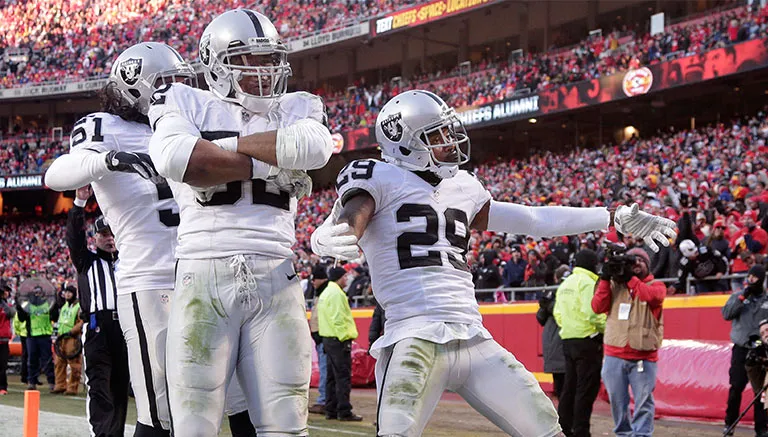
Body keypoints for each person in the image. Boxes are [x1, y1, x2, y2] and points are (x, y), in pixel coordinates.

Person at [310, 89, 676, 437]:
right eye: (436, 135)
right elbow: (351, 217)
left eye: (448, 132)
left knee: (545, 425)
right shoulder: (377, 176)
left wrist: (611, 216)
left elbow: (533, 219)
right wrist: (326, 234)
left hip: (473, 337)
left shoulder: (463, 186)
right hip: (414, 334)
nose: (449, 142)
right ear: (404, 143)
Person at [45, 42, 255, 437]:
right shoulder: (104, 126)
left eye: (180, 80)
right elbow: (57, 175)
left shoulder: (182, 121)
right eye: (165, 82)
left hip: (204, 269)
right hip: (150, 280)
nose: (176, 89)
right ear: (132, 85)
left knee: (239, 399)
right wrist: (107, 160)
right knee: (161, 410)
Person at [147, 8, 333, 435]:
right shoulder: (183, 98)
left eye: (270, 60)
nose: (263, 71)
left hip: (277, 273)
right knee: (194, 424)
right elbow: (180, 159)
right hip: (203, 271)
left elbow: (314, 148)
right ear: (214, 65)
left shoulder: (299, 105)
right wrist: (272, 165)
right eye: (249, 60)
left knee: (287, 423)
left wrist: (220, 148)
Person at [67, 196, 130, 437]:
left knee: (120, 386)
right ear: (95, 238)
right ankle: (102, 434)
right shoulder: (87, 261)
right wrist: (79, 203)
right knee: (99, 384)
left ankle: (116, 433)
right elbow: (74, 238)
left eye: (112, 233)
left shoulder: (128, 262)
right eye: (104, 234)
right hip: (98, 327)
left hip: (125, 326)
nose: (110, 238)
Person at [592, 247, 666, 437]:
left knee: (643, 402)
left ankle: (641, 434)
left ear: (648, 266)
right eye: (633, 261)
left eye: (641, 261)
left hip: (643, 356)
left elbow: (650, 296)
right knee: (617, 401)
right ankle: (623, 434)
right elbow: (597, 307)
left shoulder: (657, 285)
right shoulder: (615, 286)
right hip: (614, 354)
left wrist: (630, 279)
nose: (637, 264)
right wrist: (605, 278)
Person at [553, 249, 605, 437]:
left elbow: (558, 313)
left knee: (569, 387)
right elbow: (593, 313)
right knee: (586, 389)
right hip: (588, 340)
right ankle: (581, 431)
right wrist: (605, 328)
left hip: (568, 339)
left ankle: (564, 428)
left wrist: (570, 327)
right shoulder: (588, 283)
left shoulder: (566, 283)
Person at [722, 264, 768, 437]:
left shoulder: (766, 301)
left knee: (760, 391)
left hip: (760, 349)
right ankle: (730, 423)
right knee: (736, 387)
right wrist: (742, 297)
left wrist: (761, 342)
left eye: (754, 277)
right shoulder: (739, 296)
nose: (750, 280)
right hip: (741, 348)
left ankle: (761, 428)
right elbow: (726, 314)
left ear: (761, 279)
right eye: (749, 276)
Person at [316, 266, 362, 421]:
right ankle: (344, 410)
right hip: (338, 339)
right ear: (339, 278)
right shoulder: (336, 293)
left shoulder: (326, 292)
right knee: (342, 376)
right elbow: (338, 318)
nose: (347, 279)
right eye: (345, 277)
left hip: (328, 338)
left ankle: (331, 409)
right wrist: (344, 337)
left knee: (331, 377)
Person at [15, 285, 57, 392]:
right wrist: (19, 307)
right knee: (32, 360)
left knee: (47, 361)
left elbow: (55, 316)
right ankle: (32, 382)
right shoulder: (29, 306)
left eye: (39, 293)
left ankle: (51, 382)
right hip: (32, 335)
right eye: (35, 293)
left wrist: (55, 303)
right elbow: (22, 318)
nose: (37, 295)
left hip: (44, 335)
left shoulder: (48, 304)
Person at [536, 266, 567, 399]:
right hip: (556, 342)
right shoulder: (553, 293)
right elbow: (540, 317)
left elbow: (563, 312)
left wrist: (548, 306)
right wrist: (544, 306)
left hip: (558, 342)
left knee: (562, 388)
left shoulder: (559, 293)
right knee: (562, 387)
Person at [52, 285, 83, 396]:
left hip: (72, 338)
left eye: (70, 292)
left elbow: (81, 321)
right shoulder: (64, 306)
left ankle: (72, 387)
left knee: (74, 364)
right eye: (66, 292)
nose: (67, 294)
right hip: (61, 337)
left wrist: (73, 331)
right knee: (59, 363)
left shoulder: (78, 307)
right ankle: (60, 385)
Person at [308, 265, 329, 415]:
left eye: (314, 279)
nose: (312, 282)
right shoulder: (320, 292)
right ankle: (324, 399)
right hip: (321, 337)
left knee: (325, 370)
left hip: (324, 337)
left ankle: (324, 400)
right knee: (324, 370)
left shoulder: (325, 293)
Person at [0, 282, 15, 395]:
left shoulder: (6, 306)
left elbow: (11, 313)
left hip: (3, 339)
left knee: (2, 365)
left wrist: (2, 302)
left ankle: (2, 387)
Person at [12, 295, 29, 386]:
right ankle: (28, 376)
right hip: (29, 334)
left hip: (23, 334)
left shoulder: (20, 309)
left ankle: (24, 377)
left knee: (25, 356)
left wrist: (18, 332)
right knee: (29, 356)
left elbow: (16, 323)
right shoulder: (30, 308)